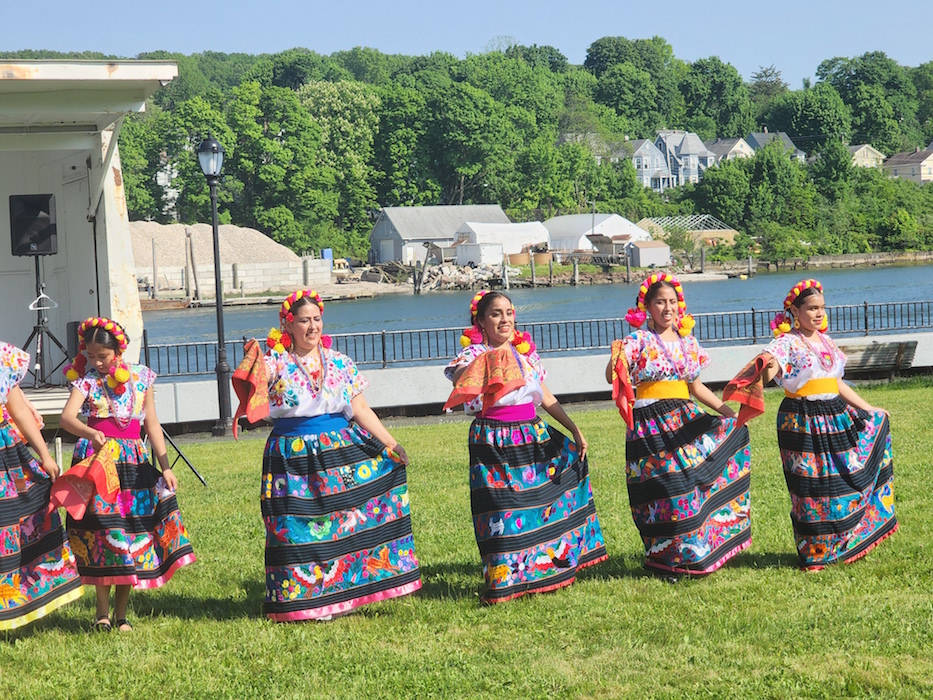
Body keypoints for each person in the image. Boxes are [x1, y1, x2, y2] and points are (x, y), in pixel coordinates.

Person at [256, 290, 420, 621]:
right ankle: (304, 598)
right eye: (304, 320)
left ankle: (343, 590)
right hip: (291, 454)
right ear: (288, 325)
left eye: (317, 319)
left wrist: (391, 443)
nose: (312, 326)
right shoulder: (273, 364)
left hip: (338, 450)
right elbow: (252, 403)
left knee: (342, 520)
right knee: (296, 522)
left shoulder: (341, 362)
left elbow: (359, 409)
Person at [444, 290, 606, 604]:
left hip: (531, 433)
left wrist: (573, 427)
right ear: (481, 321)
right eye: (495, 314)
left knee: (539, 504)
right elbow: (461, 380)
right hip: (492, 436)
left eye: (509, 312)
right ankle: (504, 581)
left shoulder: (526, 355)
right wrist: (490, 360)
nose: (504, 319)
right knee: (501, 510)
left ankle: (545, 570)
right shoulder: (472, 355)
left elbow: (545, 397)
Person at [729, 279, 897, 570]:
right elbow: (772, 368)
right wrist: (766, 365)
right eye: (811, 308)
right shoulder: (786, 342)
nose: (818, 314)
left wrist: (868, 409)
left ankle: (843, 541)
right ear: (795, 311)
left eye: (821, 308)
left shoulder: (827, 342)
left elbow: (836, 383)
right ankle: (814, 552)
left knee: (840, 479)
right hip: (801, 418)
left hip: (836, 414)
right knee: (810, 486)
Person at [607, 273, 751, 578]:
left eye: (672, 301)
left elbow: (696, 387)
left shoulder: (688, 343)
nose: (667, 307)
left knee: (689, 487)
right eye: (660, 302)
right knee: (664, 491)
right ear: (647, 306)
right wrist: (616, 354)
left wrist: (729, 414)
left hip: (683, 418)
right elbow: (612, 376)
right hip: (650, 424)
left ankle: (693, 552)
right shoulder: (638, 341)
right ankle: (666, 559)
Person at [60, 318, 195, 632]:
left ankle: (121, 615)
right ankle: (102, 613)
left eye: (103, 357)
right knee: (102, 533)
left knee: (131, 533)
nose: (97, 363)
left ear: (117, 351)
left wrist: (166, 465)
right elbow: (68, 418)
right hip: (98, 464)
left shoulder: (142, 377)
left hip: (133, 465)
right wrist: (89, 432)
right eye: (91, 356)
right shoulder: (87, 382)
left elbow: (152, 425)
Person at [0, 342, 82, 630]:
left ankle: (16, 600)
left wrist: (45, 455)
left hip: (7, 457)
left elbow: (19, 411)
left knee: (18, 516)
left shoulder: (2, 359)